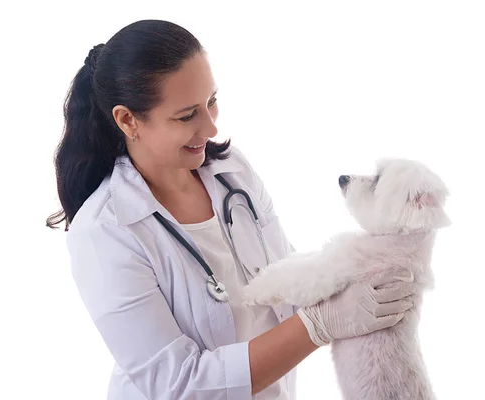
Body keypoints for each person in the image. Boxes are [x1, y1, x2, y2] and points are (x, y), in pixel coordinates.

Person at [46, 19, 416, 400]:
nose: (209, 128)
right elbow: (179, 384)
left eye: (211, 102)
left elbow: (282, 278)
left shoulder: (230, 173)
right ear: (128, 120)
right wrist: (319, 325)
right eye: (187, 115)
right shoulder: (105, 231)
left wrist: (356, 272)